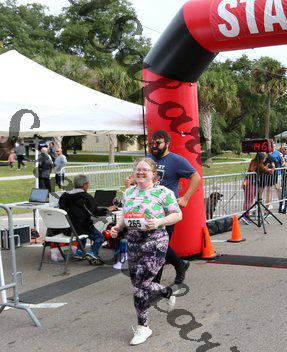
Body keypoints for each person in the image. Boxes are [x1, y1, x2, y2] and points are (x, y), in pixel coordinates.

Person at [110, 158, 181, 346]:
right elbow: (126, 215)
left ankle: (143, 327)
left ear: (154, 174)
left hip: (155, 242)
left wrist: (158, 222)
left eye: (145, 170)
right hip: (134, 242)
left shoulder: (163, 192)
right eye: (138, 169)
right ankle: (165, 292)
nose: (140, 172)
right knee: (138, 284)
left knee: (140, 284)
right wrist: (117, 227)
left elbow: (177, 215)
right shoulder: (129, 192)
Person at [125, 130, 200, 285]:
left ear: (167, 143)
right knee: (154, 245)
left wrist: (185, 197)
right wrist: (131, 183)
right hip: (146, 212)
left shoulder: (176, 160)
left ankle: (154, 284)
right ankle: (180, 264)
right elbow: (139, 178)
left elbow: (196, 176)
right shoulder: (148, 159)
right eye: (151, 143)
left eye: (158, 143)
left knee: (159, 246)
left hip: (166, 211)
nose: (154, 146)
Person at [58, 174, 118, 264]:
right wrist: (107, 209)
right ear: (85, 185)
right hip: (80, 229)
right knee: (99, 237)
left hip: (66, 229)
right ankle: (93, 253)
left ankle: (80, 251)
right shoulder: (85, 197)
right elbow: (95, 212)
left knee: (82, 228)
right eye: (88, 184)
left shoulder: (64, 195)